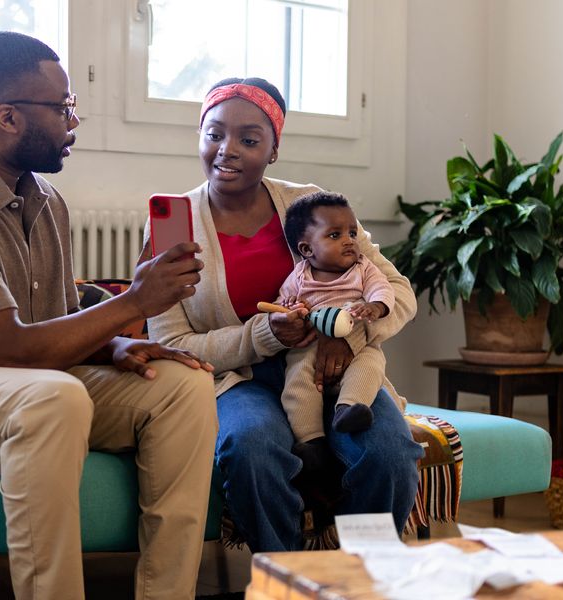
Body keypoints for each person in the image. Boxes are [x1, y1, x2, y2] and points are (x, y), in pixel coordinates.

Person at [0, 32, 218, 600]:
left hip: (27, 385)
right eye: (62, 108)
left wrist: (113, 345)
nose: (73, 122)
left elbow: (54, 322)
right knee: (54, 397)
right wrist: (133, 304)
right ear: (6, 117)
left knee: (182, 388)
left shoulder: (46, 201)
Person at [146, 77, 424, 552]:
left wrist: (347, 338)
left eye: (248, 140)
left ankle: (362, 574)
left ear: (273, 150)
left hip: (335, 369)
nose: (226, 150)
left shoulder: (311, 206)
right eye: (213, 134)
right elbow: (172, 344)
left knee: (390, 452)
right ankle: (287, 573)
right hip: (238, 378)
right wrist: (264, 335)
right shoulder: (174, 225)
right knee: (251, 447)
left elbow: (397, 291)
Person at [273, 191, 397, 472]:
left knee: (371, 364)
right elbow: (283, 304)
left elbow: (383, 288)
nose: (349, 241)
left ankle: (349, 409)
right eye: (335, 235)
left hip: (357, 345)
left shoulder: (362, 268)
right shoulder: (299, 276)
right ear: (307, 249)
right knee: (298, 379)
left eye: (352, 233)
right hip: (311, 344)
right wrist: (290, 309)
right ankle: (310, 439)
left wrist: (375, 307)